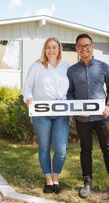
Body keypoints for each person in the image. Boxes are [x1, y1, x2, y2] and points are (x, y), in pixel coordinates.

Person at [66, 34, 109, 199]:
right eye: (80, 46)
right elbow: (69, 93)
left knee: (108, 149)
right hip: (82, 119)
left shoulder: (103, 67)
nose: (84, 49)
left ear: (92, 47)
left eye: (87, 45)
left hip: (101, 117)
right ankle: (87, 183)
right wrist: (77, 109)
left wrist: (108, 106)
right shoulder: (71, 71)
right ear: (76, 49)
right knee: (85, 150)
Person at [22, 37, 70, 194]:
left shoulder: (66, 67)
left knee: (60, 150)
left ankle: (56, 177)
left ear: (59, 49)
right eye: (48, 47)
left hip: (61, 113)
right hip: (41, 113)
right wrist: (28, 98)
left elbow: (71, 90)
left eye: (54, 47)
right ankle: (48, 180)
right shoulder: (37, 66)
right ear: (44, 50)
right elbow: (27, 87)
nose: (51, 50)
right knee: (44, 147)